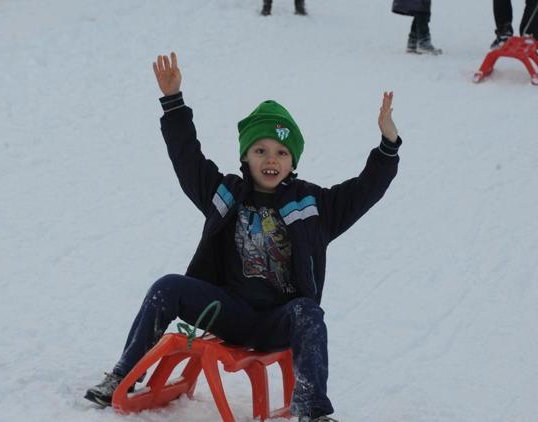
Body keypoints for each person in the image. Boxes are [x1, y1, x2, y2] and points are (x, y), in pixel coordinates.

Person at [84, 52, 402, 422]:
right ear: (246, 156)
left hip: (278, 321)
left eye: (282, 152)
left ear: (293, 161)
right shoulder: (226, 194)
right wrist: (173, 103)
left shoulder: (315, 206)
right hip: (229, 311)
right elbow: (187, 158)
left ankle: (313, 412)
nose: (271, 159)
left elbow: (366, 189)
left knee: (309, 313)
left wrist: (387, 145)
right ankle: (122, 374)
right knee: (167, 286)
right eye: (260, 150)